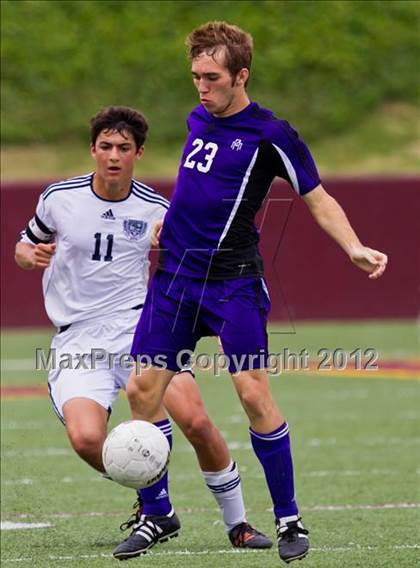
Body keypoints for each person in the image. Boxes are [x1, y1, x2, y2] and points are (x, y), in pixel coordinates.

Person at [124, 22, 389, 565]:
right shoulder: (198, 117)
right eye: (195, 75)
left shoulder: (272, 133)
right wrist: (168, 224)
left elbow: (316, 197)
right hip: (175, 278)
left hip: (233, 284)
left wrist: (354, 247)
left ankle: (288, 517)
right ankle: (156, 513)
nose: (201, 86)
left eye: (212, 77)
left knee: (251, 393)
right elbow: (200, 190)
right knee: (141, 390)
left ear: (240, 76)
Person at [14, 106, 273, 557]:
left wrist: (171, 245)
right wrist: (27, 255)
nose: (114, 156)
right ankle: (158, 509)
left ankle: (238, 523)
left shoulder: (156, 207)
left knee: (194, 420)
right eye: (106, 147)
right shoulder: (59, 198)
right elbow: (25, 243)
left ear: (139, 154)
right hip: (78, 338)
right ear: (93, 149)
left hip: (141, 327)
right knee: (87, 439)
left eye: (124, 148)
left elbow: (192, 264)